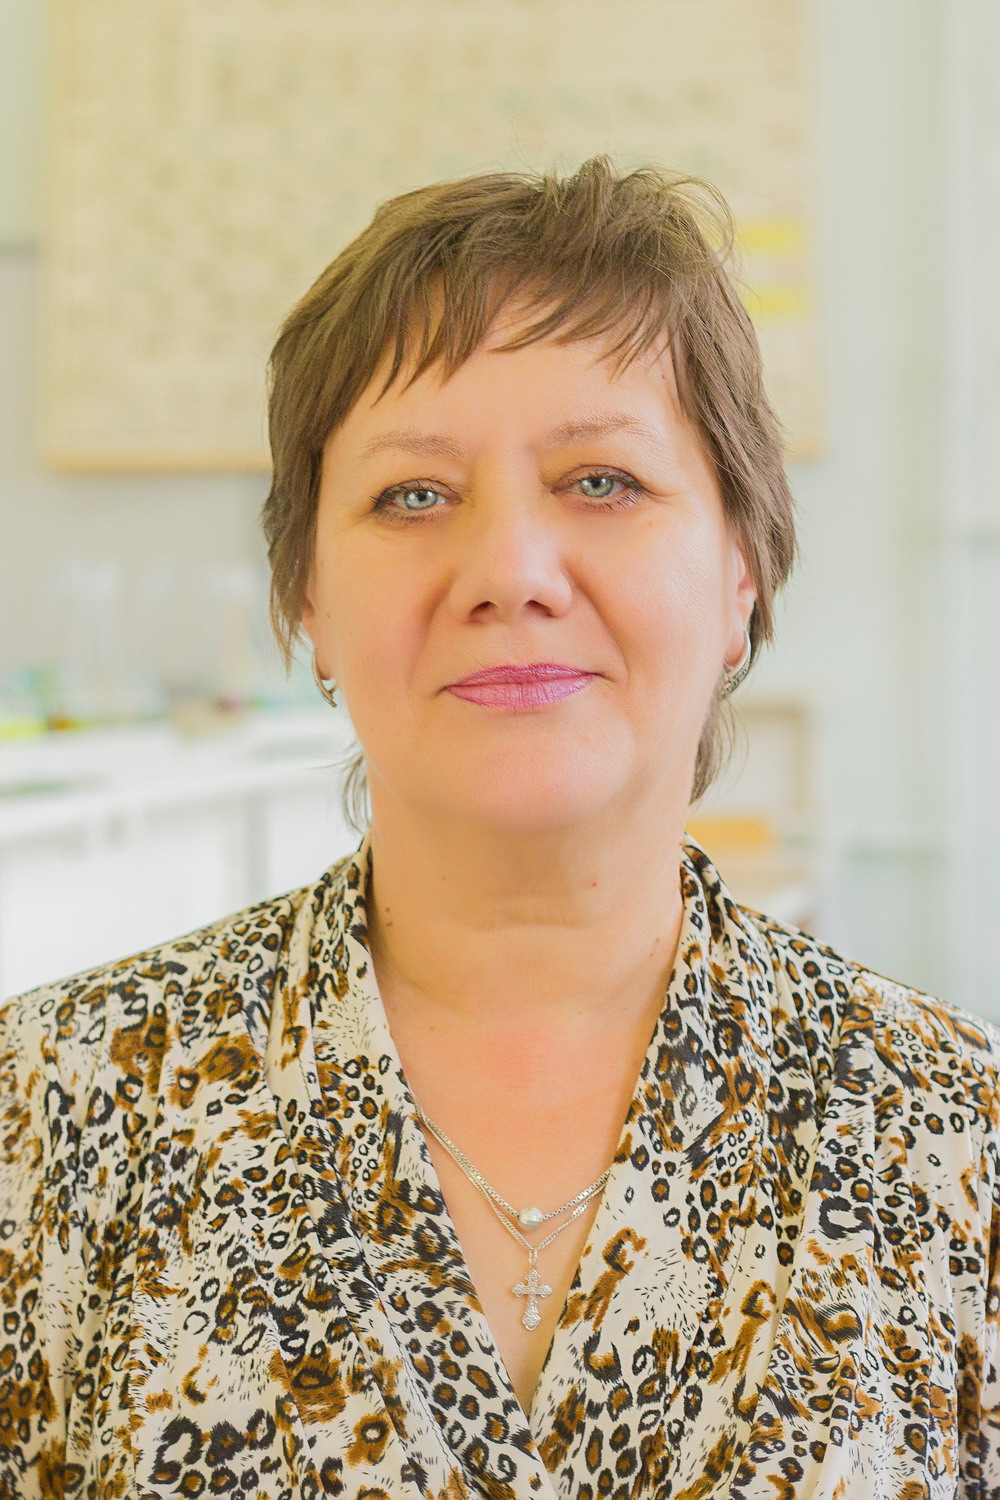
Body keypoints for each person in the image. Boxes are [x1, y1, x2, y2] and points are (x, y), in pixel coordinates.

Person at [1, 157, 998, 1500]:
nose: (511, 573)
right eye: (413, 496)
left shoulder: (956, 1135)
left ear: (740, 571)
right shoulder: (52, 1108)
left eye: (603, 481)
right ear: (308, 599)